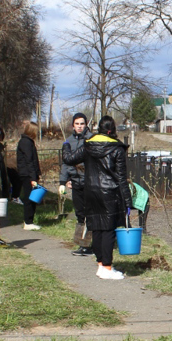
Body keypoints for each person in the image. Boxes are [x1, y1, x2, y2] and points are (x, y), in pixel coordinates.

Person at [62, 115, 132, 280]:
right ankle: (107, 267)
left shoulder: (88, 145)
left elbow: (68, 159)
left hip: (91, 191)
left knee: (97, 227)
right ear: (112, 130)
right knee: (108, 229)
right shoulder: (117, 149)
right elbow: (122, 178)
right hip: (110, 192)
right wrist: (128, 201)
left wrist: (66, 145)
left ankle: (101, 265)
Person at [60, 113, 93, 256]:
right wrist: (63, 181)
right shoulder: (68, 142)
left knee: (90, 213)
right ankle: (81, 244)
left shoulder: (91, 140)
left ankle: (90, 244)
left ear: (86, 124)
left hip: (89, 182)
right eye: (77, 124)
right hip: (75, 182)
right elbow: (66, 163)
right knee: (79, 213)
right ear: (73, 125)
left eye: (82, 124)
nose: (79, 126)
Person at [17, 121, 42, 231]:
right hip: (27, 174)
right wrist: (33, 178)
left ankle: (30, 220)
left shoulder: (27, 142)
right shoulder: (26, 143)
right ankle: (28, 221)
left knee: (34, 197)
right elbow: (29, 161)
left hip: (29, 174)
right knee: (30, 198)